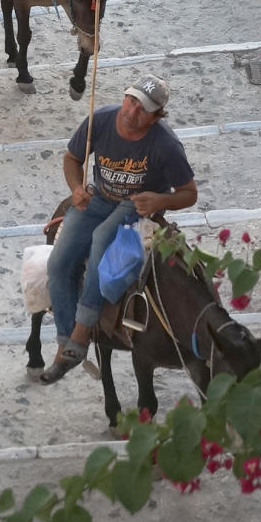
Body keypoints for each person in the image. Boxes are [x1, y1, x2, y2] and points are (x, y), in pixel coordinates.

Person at [41, 75, 197, 385]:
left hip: (135, 204)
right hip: (99, 197)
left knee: (101, 241)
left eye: (144, 109)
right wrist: (75, 188)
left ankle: (82, 333)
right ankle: (64, 343)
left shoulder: (166, 145)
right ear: (125, 96)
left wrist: (161, 200)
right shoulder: (99, 121)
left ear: (156, 116)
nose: (133, 110)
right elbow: (72, 158)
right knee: (57, 263)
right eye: (132, 100)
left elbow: (189, 193)